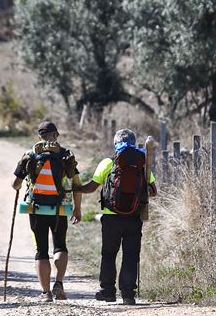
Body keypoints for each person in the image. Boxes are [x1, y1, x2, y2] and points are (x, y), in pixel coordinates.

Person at [76, 128, 157, 305]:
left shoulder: (108, 163)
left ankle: (107, 292)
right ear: (134, 143)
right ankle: (128, 295)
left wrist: (76, 188)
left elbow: (91, 187)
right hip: (134, 218)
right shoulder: (142, 164)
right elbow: (153, 192)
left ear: (115, 144)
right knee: (130, 255)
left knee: (109, 253)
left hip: (111, 217)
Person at [11, 120, 83, 302]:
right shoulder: (65, 155)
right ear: (55, 135)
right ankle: (58, 284)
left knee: (41, 250)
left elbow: (15, 185)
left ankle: (46, 293)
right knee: (60, 246)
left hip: (36, 209)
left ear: (39, 136)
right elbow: (77, 185)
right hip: (59, 209)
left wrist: (24, 174)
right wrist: (77, 209)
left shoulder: (30, 155)